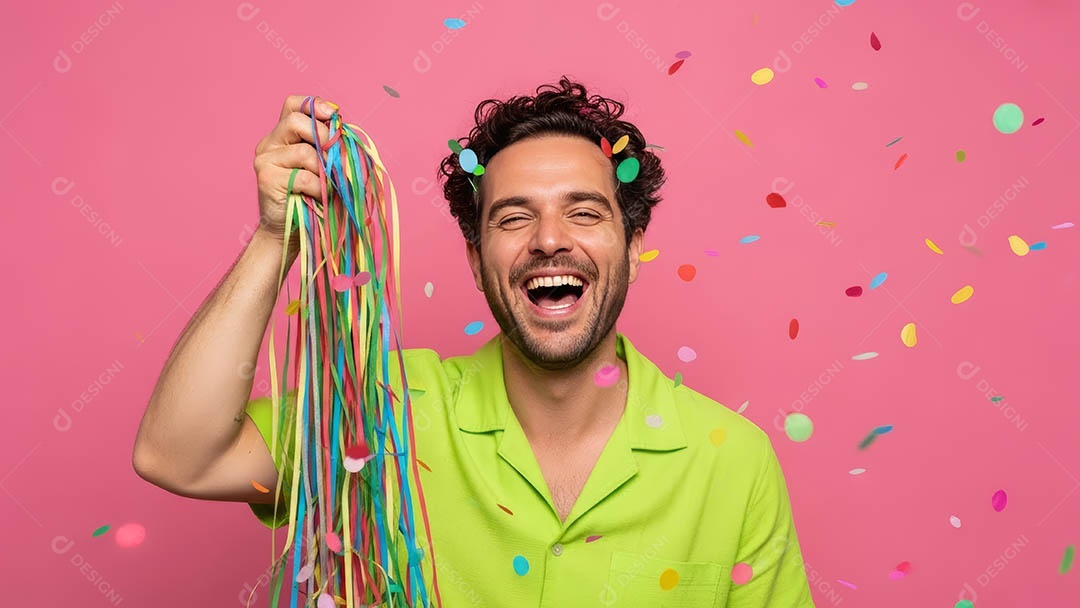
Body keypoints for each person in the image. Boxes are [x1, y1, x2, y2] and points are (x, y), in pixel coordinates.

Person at [133, 76, 815, 607]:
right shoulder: (384, 410)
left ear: (633, 246)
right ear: (475, 256)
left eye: (584, 211)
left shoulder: (732, 460)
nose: (549, 239)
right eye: (515, 217)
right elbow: (180, 455)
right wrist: (277, 237)